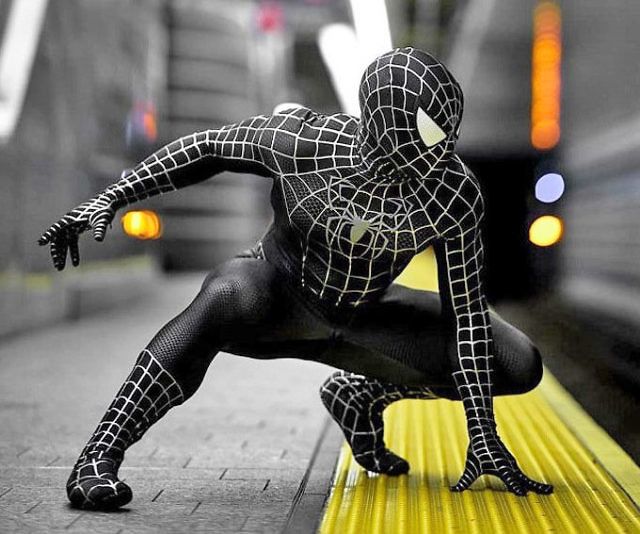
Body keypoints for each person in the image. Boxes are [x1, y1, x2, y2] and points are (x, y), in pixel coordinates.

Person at [39, 47, 553, 511]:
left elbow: (467, 314)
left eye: (449, 132)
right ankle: (100, 455)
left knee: (515, 361)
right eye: (432, 133)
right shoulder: (305, 142)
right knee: (226, 294)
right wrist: (113, 196)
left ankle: (361, 394)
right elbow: (206, 147)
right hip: (278, 298)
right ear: (385, 123)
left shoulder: (453, 193)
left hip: (364, 317)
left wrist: (481, 433)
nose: (442, 151)